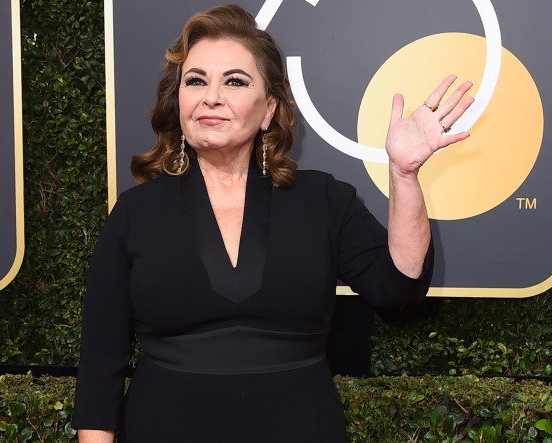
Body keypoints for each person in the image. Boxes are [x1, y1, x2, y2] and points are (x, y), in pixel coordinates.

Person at [72, 4, 473, 442]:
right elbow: (100, 364)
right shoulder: (135, 214)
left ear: (268, 110)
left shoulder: (323, 200)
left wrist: (405, 174)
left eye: (235, 81)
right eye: (196, 80)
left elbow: (400, 290)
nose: (211, 96)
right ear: (179, 102)